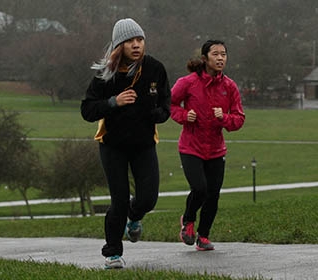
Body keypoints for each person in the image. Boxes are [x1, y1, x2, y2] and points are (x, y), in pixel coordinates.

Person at [80, 18, 171, 268]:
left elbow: (166, 105)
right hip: (113, 145)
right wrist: (113, 103)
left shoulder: (155, 69)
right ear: (119, 45)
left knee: (148, 199)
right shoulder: (105, 75)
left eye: (140, 40)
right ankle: (112, 253)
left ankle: (135, 216)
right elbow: (87, 110)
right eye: (130, 41)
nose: (136, 45)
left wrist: (157, 114)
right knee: (118, 200)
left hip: (143, 143)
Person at [170, 39, 245, 251]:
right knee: (200, 188)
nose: (221, 58)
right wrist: (185, 115)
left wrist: (224, 118)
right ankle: (188, 221)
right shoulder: (188, 82)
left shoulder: (229, 86)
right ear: (205, 59)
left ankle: (203, 236)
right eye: (215, 54)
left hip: (215, 149)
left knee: (213, 194)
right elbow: (170, 104)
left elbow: (239, 118)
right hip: (191, 146)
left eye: (224, 54)